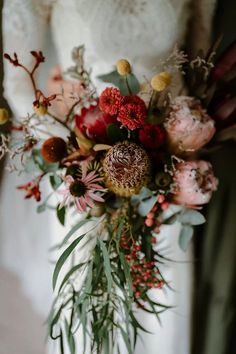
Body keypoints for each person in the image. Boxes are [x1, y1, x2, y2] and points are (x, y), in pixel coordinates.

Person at [1, 1, 217, 353]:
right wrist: (69, 148)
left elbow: (198, 74)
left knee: (160, 309)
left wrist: (185, 140)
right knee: (89, 308)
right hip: (83, 178)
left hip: (167, 180)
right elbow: (18, 84)